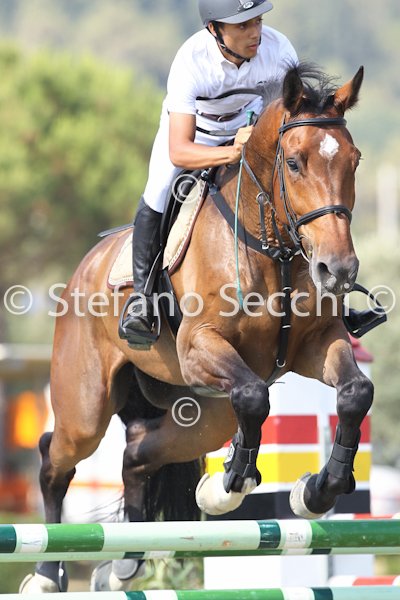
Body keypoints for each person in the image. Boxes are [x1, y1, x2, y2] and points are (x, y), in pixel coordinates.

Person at [119, 0, 298, 349]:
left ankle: (330, 296)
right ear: (215, 29)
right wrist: (231, 152)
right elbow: (180, 150)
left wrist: (258, 139)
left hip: (250, 126)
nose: (255, 32)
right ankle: (142, 300)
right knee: (158, 191)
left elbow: (290, 114)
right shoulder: (191, 59)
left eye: (257, 21)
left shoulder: (279, 50)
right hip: (196, 133)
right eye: (243, 25)